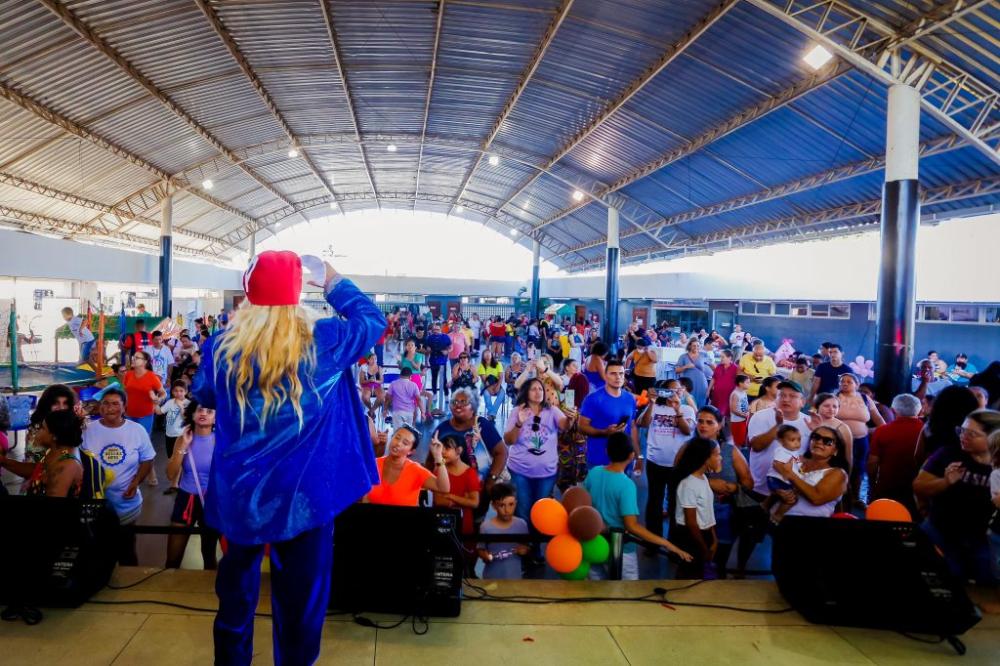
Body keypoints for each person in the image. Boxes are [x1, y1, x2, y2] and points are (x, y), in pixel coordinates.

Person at [192, 252, 385, 665]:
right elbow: (372, 320)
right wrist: (333, 280)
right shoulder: (326, 340)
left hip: (240, 495)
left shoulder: (220, 348)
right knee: (302, 600)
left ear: (249, 293)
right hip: (305, 496)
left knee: (235, 597)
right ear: (297, 293)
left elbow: (206, 395)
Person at [584, 432, 692, 579]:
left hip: (595, 544)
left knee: (596, 588)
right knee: (627, 590)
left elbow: (585, 505)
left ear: (607, 451)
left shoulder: (594, 473)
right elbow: (632, 526)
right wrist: (667, 543)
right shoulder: (626, 485)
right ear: (631, 456)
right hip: (620, 549)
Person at [913, 410, 1000, 586]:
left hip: (983, 538)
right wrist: (945, 482)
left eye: (972, 434)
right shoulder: (948, 454)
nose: (963, 436)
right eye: (962, 430)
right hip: (941, 530)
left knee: (987, 583)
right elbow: (918, 486)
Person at [81, 387, 155, 565]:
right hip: (95, 504)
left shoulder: (137, 430)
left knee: (127, 549)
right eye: (105, 403)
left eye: (115, 404)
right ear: (100, 407)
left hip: (125, 503)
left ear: (124, 407)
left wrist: (136, 482)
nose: (110, 408)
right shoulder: (87, 430)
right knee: (98, 550)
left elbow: (148, 458)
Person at [504, 378, 570, 529]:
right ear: (526, 392)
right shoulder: (517, 411)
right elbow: (508, 440)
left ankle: (536, 541)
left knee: (541, 513)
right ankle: (524, 541)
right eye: (533, 389)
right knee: (523, 511)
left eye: (540, 389)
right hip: (520, 471)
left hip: (546, 473)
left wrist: (570, 418)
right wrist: (519, 423)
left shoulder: (552, 410)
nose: (538, 392)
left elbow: (565, 425)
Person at [435, 387, 508, 521]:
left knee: (474, 524)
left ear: (473, 407)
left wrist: (491, 479)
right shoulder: (442, 428)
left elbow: (501, 452)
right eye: (454, 402)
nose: (458, 405)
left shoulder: (482, 425)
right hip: (447, 491)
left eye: (463, 402)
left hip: (478, 491)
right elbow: (432, 459)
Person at [165, 400, 220, 570]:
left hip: (211, 501)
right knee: (172, 559)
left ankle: (208, 588)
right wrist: (183, 446)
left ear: (216, 418)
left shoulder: (222, 441)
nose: (203, 413)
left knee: (209, 556)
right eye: (199, 410)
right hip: (185, 499)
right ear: (192, 414)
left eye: (209, 411)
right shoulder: (182, 439)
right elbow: (170, 474)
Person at [638, 379, 693, 542]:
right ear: (664, 393)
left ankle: (674, 542)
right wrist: (651, 403)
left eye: (679, 389)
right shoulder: (656, 407)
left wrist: (677, 410)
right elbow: (643, 423)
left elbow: (687, 431)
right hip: (655, 462)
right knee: (654, 500)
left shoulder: (687, 409)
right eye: (672, 390)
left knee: (675, 502)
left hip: (677, 464)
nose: (677, 392)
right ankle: (653, 540)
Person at [746, 381, 812, 497]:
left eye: (792, 396)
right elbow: (756, 446)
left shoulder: (809, 423)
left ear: (803, 402)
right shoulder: (760, 416)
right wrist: (778, 426)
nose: (786, 399)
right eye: (781, 395)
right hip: (760, 489)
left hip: (793, 491)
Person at [770, 426, 850, 519]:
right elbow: (776, 481)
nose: (819, 442)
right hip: (772, 517)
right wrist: (778, 492)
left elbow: (817, 498)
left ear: (835, 451)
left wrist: (791, 475)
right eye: (816, 437)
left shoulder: (838, 473)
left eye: (827, 441)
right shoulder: (797, 459)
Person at [672, 437, 722, 579]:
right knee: (689, 575)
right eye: (717, 454)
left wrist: (713, 539)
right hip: (692, 538)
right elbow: (691, 522)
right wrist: (704, 549)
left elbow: (707, 513)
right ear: (706, 458)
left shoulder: (703, 478)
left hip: (703, 534)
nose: (720, 458)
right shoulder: (688, 484)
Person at [867, 394, 924, 516]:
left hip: (888, 488)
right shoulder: (926, 431)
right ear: (920, 411)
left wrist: (872, 486)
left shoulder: (882, 431)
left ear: (893, 410)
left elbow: (872, 463)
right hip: (919, 489)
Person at [579, 359, 641, 470]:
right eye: (613, 373)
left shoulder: (630, 398)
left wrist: (639, 455)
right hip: (599, 459)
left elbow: (632, 427)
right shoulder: (593, 399)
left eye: (621, 373)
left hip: (624, 460)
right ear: (605, 376)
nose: (618, 377)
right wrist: (604, 432)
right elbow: (582, 427)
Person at [836, 373, 885, 506]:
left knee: (859, 468)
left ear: (857, 385)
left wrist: (884, 431)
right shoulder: (834, 397)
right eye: (842, 381)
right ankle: (838, 497)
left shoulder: (865, 398)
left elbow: (878, 418)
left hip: (861, 441)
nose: (845, 383)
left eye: (849, 382)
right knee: (840, 467)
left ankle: (855, 497)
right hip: (839, 440)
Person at [20, 410, 84, 497]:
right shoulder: (54, 450)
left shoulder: (67, 465)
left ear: (55, 436)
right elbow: (36, 470)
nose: (37, 431)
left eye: (42, 428)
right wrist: (5, 461)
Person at [430, 435, 480, 543]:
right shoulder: (439, 470)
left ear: (459, 450)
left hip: (463, 525)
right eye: (441, 448)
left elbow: (474, 503)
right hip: (441, 523)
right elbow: (439, 501)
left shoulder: (470, 473)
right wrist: (463, 499)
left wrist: (450, 496)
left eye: (447, 448)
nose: (442, 452)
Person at [477, 483, 530, 579]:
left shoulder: (521, 524)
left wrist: (524, 550)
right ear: (493, 505)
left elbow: (526, 546)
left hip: (515, 578)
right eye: (502, 505)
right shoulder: (485, 527)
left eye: (511, 504)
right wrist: (485, 556)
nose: (507, 510)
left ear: (516, 503)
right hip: (491, 578)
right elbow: (480, 549)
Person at [761, 425, 804, 522]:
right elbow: (777, 464)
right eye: (792, 440)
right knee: (791, 499)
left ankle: (764, 508)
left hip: (782, 480)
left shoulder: (794, 452)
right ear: (781, 441)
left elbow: (797, 466)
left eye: (799, 439)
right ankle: (777, 516)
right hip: (777, 479)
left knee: (782, 497)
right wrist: (786, 474)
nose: (797, 443)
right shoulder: (781, 451)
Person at [156, 380, 189, 496]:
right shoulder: (170, 402)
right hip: (169, 435)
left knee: (179, 460)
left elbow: (187, 418)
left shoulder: (188, 403)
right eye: (176, 391)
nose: (178, 393)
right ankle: (176, 483)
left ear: (186, 391)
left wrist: (181, 407)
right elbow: (159, 412)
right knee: (171, 459)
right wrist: (155, 402)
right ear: (172, 392)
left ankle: (175, 485)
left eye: (181, 391)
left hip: (181, 436)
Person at [675, 338, 712, 407]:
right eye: (694, 345)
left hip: (701, 384)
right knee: (687, 403)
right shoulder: (683, 357)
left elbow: (712, 366)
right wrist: (686, 366)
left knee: (701, 404)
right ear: (689, 346)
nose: (696, 347)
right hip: (687, 385)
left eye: (698, 345)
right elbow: (677, 370)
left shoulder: (703, 355)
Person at [426, 323, 452, 415]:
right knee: (434, 378)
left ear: (441, 329)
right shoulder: (429, 338)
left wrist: (447, 351)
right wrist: (427, 353)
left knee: (444, 380)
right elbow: (427, 348)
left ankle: (446, 395)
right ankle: (435, 394)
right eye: (434, 330)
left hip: (442, 362)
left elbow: (450, 347)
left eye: (437, 329)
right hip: (433, 361)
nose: (436, 331)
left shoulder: (446, 337)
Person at [707, 349, 738, 419]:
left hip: (728, 395)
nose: (721, 359)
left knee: (724, 414)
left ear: (729, 358)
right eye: (720, 357)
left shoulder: (735, 368)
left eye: (723, 357)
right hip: (717, 395)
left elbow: (738, 382)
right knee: (715, 412)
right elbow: (714, 378)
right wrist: (708, 390)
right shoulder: (718, 366)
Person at [359, 353, 385, 418]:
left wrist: (375, 381)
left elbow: (381, 381)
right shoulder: (364, 368)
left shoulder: (379, 368)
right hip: (367, 385)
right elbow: (361, 381)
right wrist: (369, 380)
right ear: (368, 360)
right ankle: (371, 410)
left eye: (375, 359)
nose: (374, 360)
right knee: (365, 397)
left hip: (377, 385)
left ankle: (371, 411)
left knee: (382, 397)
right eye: (372, 359)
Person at [729, 375, 751, 447]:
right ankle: (734, 452)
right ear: (741, 383)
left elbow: (745, 404)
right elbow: (733, 409)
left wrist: (748, 411)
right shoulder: (735, 394)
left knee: (742, 439)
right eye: (747, 382)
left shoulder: (744, 392)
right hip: (737, 421)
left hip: (743, 419)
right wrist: (744, 415)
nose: (749, 384)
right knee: (737, 441)